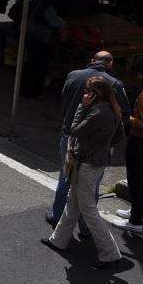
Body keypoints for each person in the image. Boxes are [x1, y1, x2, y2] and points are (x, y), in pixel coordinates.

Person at [43, 75, 125, 268]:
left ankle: (111, 253)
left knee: (88, 209)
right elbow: (119, 136)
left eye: (89, 91)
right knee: (73, 202)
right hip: (95, 163)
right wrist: (102, 146)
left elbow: (75, 130)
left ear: (97, 94)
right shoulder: (113, 110)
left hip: (86, 164)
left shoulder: (96, 112)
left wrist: (82, 106)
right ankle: (58, 240)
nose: (86, 94)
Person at [48, 51, 130, 229]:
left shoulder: (73, 76)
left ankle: (57, 216)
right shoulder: (115, 84)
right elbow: (123, 115)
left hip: (70, 136)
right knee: (92, 184)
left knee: (66, 177)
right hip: (98, 144)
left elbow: (64, 101)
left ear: (92, 60)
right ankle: (85, 225)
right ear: (110, 64)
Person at [111, 86, 143, 233]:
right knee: (136, 180)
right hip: (137, 140)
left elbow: (140, 121)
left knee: (136, 180)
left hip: (139, 141)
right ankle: (135, 211)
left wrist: (130, 119)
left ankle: (135, 220)